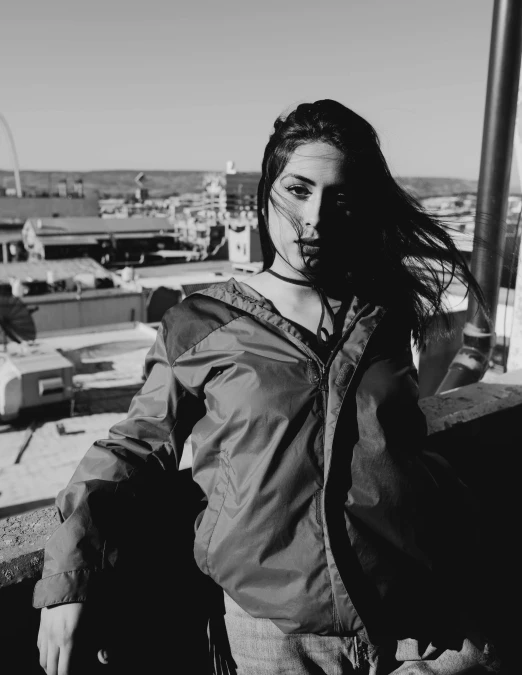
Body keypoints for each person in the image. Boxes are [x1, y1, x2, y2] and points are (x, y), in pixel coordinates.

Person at [35, 100, 498, 675]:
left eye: (340, 197)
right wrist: (69, 577)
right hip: (277, 638)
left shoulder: (382, 315)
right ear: (266, 191)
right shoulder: (202, 322)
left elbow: (400, 442)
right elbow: (133, 447)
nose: (316, 218)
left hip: (411, 615)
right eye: (299, 189)